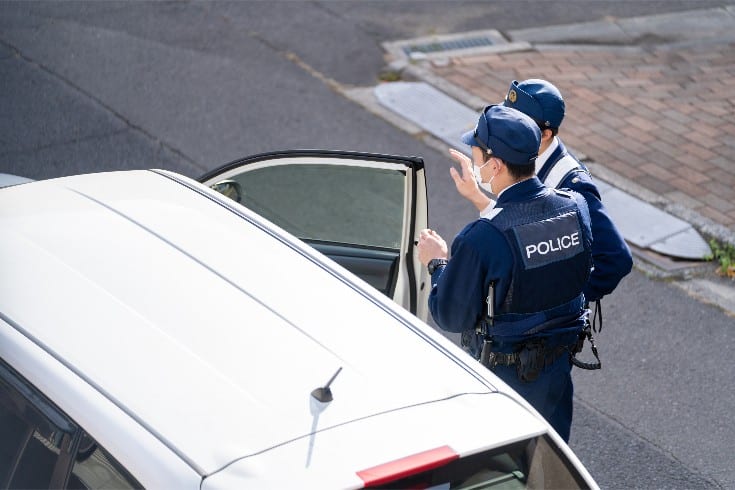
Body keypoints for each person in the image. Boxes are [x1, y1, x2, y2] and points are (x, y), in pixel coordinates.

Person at [418, 104, 593, 442]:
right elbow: (524, 230)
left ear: (494, 165)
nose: (473, 156)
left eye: (476, 151)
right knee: (549, 456)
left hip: (503, 385)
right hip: (556, 375)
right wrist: (481, 199)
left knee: (498, 460)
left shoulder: (479, 238)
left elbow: (451, 315)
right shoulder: (575, 207)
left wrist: (437, 263)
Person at [451, 79, 632, 308]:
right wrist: (477, 197)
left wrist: (567, 303)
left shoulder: (570, 183)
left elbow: (616, 259)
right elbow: (519, 227)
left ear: (545, 134)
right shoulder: (522, 159)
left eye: (519, 120)